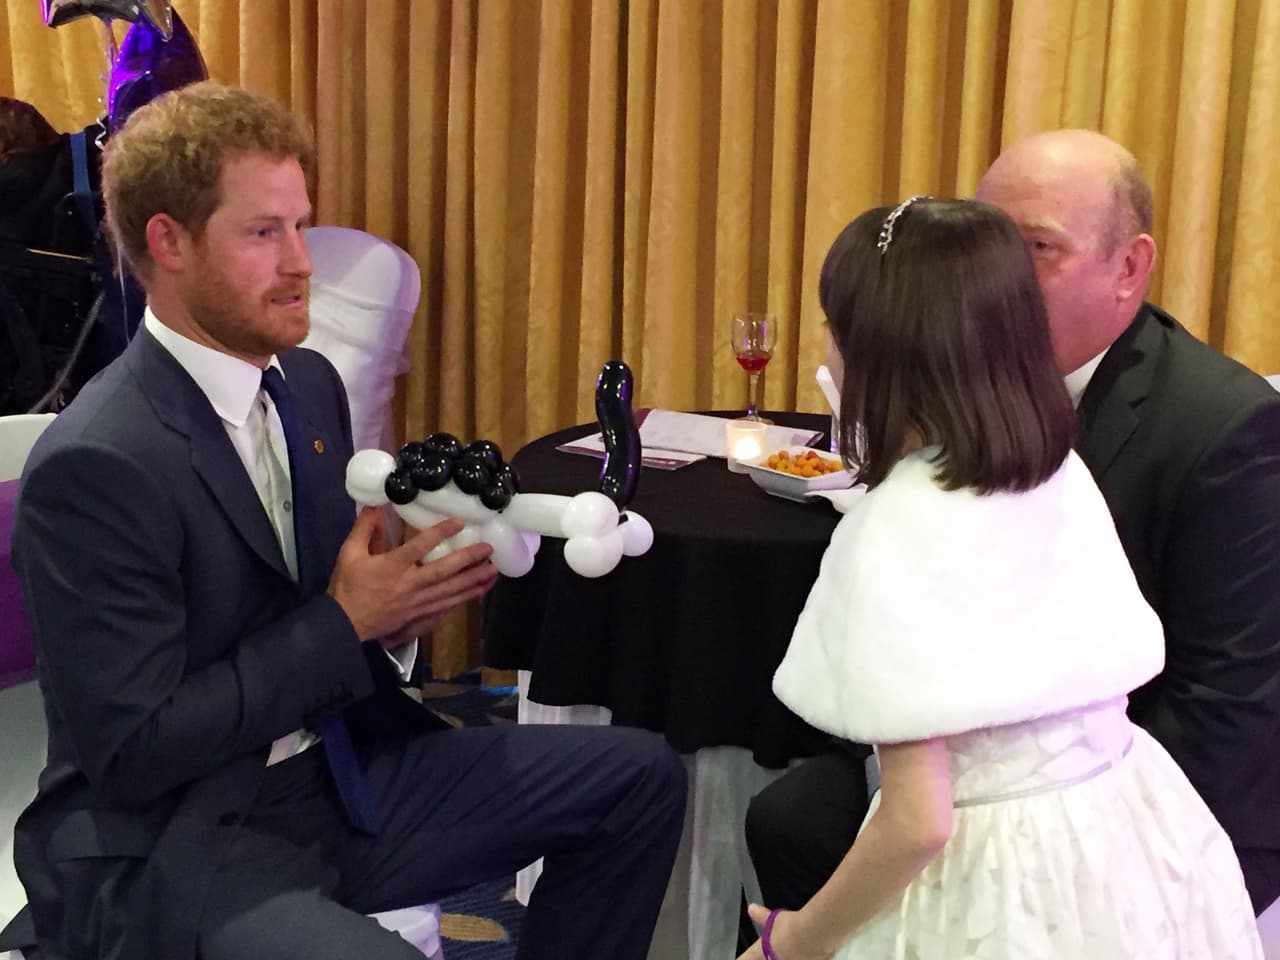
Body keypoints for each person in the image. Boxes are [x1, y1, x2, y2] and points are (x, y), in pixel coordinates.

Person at [4, 81, 686, 960]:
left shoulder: (305, 384)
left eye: (301, 224)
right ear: (168, 242)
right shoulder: (97, 463)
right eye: (263, 232)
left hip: (335, 778)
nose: (302, 262)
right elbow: (136, 749)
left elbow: (320, 613)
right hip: (180, 839)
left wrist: (396, 615)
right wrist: (349, 620)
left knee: (638, 778)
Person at [744, 129, 1280, 921]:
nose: (997, 282)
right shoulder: (985, 418)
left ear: (1130, 267)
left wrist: (1096, 862)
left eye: (1037, 248)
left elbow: (1228, 708)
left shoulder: (1224, 430)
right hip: (983, 759)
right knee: (790, 812)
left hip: (1145, 797)